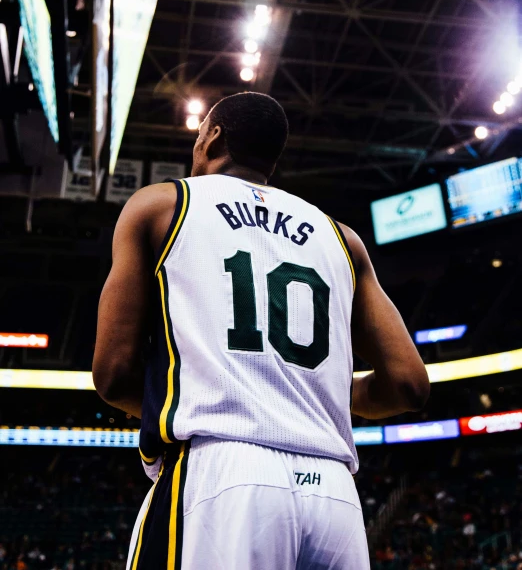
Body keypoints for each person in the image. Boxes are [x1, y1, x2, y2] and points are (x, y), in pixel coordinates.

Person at [93, 92, 430, 570]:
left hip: (225, 475)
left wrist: (247, 390)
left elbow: (111, 374)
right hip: (335, 495)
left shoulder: (162, 204)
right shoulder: (341, 236)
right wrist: (300, 391)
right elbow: (409, 385)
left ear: (212, 137)